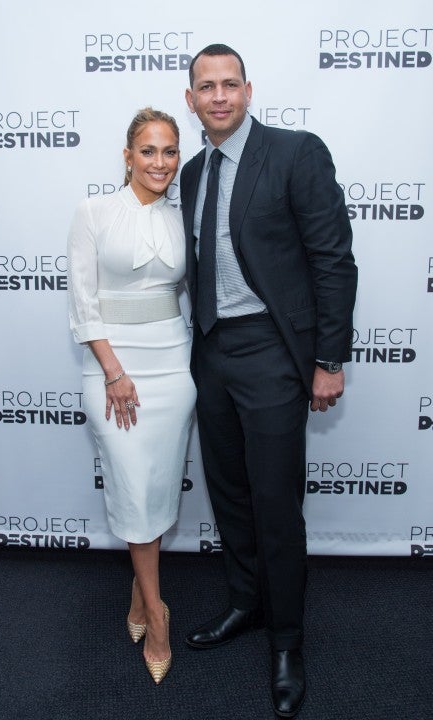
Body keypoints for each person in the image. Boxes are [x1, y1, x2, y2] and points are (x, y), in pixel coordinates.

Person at [181, 44, 357, 717]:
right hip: (211, 352)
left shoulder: (294, 152)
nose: (219, 96)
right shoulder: (192, 172)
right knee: (229, 493)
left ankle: (287, 642)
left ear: (248, 91)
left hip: (272, 352)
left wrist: (328, 360)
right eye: (206, 87)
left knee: (275, 504)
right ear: (191, 99)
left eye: (230, 84)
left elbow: (333, 261)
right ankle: (246, 603)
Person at [67, 107, 196, 685]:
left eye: (169, 152)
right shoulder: (93, 212)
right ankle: (158, 614)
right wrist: (114, 372)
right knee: (132, 485)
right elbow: (82, 301)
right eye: (148, 151)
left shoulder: (182, 217)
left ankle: (142, 594)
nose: (159, 163)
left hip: (173, 366)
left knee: (157, 487)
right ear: (127, 157)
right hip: (112, 369)